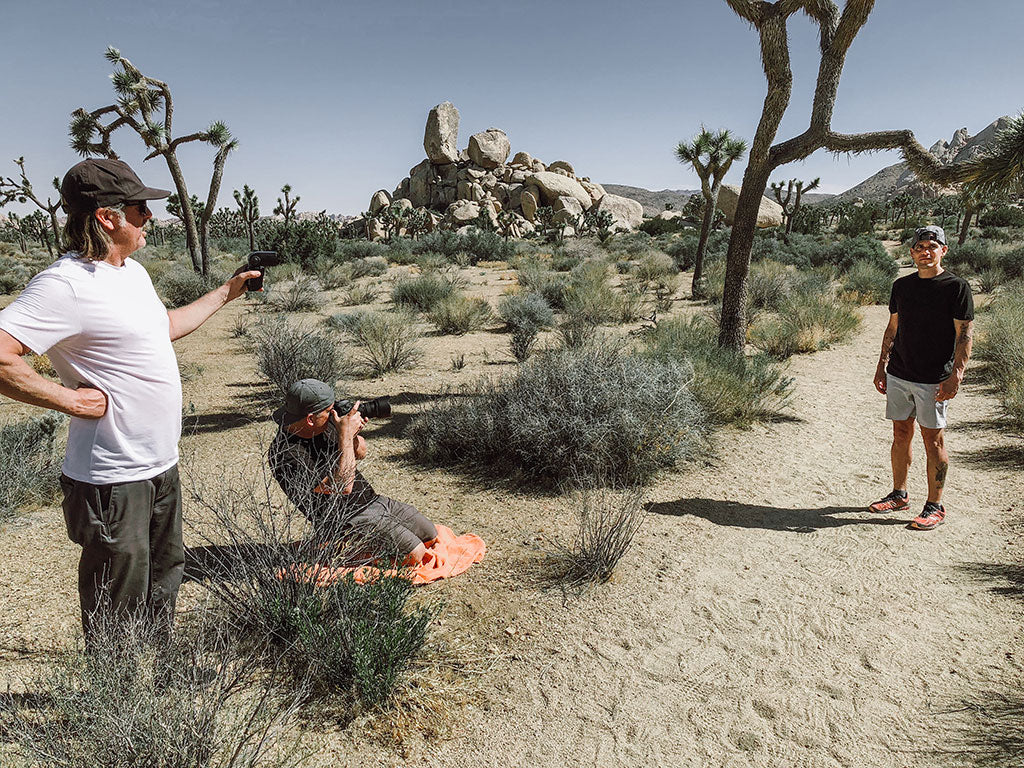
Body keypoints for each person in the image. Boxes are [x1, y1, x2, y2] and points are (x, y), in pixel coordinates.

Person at [0, 157, 259, 638]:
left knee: (165, 580)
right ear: (107, 217)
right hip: (111, 477)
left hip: (160, 465)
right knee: (116, 606)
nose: (150, 218)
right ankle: (119, 703)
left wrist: (227, 291)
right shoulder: (64, 285)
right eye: (140, 209)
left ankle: (156, 688)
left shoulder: (132, 273)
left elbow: (164, 329)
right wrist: (70, 401)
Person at [869, 224, 973, 530]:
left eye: (932, 247)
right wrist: (881, 365)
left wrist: (957, 374)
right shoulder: (902, 286)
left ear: (943, 251)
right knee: (900, 434)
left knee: (933, 439)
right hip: (900, 372)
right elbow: (892, 328)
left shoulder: (956, 287)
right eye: (920, 247)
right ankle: (899, 494)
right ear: (912, 252)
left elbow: (964, 334)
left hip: (933, 378)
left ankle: (935, 505)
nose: (925, 252)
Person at [268, 379, 437, 563]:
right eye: (328, 411)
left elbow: (361, 452)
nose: (334, 414)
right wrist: (345, 437)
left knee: (430, 536)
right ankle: (338, 546)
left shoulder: (324, 424)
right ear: (310, 419)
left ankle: (356, 545)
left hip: (372, 499)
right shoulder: (286, 454)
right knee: (415, 555)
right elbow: (343, 487)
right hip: (346, 519)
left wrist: (353, 435)